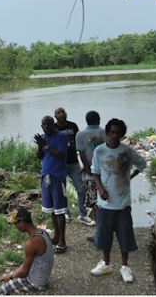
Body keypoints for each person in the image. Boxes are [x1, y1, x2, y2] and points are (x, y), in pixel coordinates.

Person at [90, 119, 146, 283]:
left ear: (122, 134)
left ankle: (125, 267)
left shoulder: (127, 152)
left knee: (124, 235)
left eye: (118, 133)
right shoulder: (99, 151)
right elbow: (95, 172)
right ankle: (106, 264)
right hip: (105, 203)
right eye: (112, 132)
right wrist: (100, 187)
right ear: (107, 133)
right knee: (104, 235)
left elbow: (142, 164)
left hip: (122, 204)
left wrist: (129, 177)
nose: (114, 135)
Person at [0, 207, 54, 295]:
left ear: (22, 224)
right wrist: (10, 276)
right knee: (5, 278)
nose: (15, 227)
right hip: (44, 277)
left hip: (35, 282)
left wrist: (11, 276)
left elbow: (24, 271)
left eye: (16, 224)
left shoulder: (32, 242)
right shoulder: (43, 232)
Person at [34, 115, 68, 253]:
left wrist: (45, 145)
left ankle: (63, 241)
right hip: (45, 176)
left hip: (57, 176)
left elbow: (60, 154)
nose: (46, 127)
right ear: (41, 126)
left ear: (54, 124)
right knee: (52, 210)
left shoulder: (61, 137)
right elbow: (39, 156)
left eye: (48, 124)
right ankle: (56, 236)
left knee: (60, 210)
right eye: (44, 124)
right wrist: (40, 146)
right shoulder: (43, 137)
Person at [53, 107, 91, 226]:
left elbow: (79, 143)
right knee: (62, 190)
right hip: (61, 164)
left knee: (80, 188)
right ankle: (66, 213)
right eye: (59, 113)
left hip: (74, 163)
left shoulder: (73, 126)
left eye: (63, 112)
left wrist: (84, 161)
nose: (61, 114)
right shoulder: (53, 128)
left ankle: (83, 215)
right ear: (55, 116)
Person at [75, 110, 107, 242]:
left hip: (90, 177)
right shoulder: (105, 132)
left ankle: (99, 233)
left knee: (94, 205)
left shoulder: (80, 134)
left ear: (86, 121)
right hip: (105, 174)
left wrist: (88, 169)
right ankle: (109, 231)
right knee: (108, 202)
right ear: (98, 120)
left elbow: (81, 154)